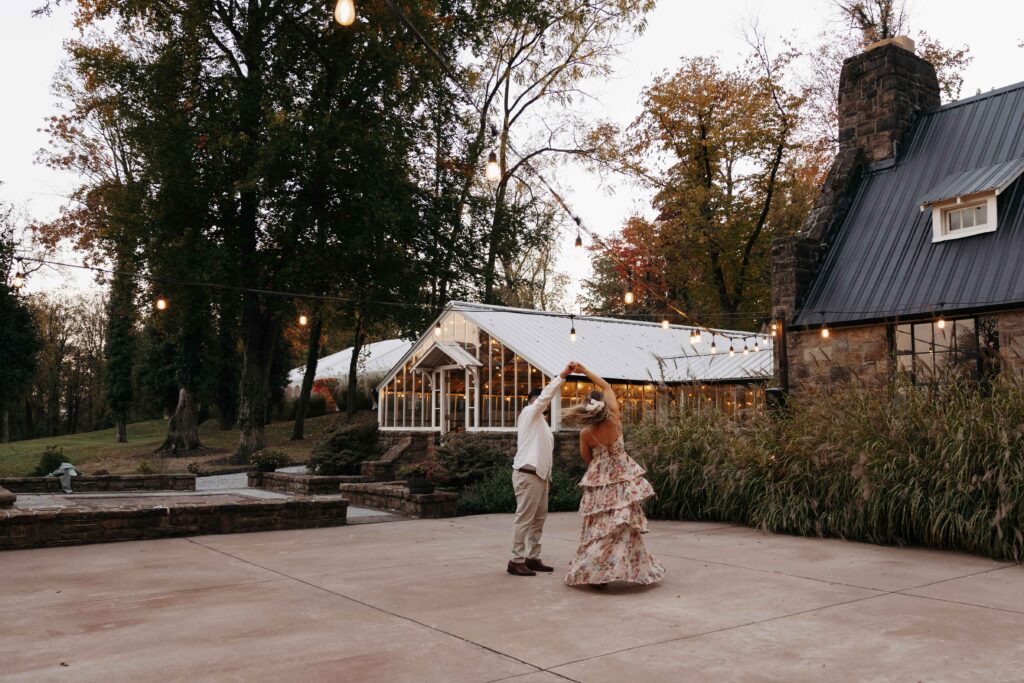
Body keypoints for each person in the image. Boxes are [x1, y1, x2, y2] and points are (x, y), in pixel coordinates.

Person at [562, 363, 665, 588]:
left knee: (599, 525)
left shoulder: (586, 434)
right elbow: (606, 385)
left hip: (600, 480)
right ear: (603, 407)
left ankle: (596, 570)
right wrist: (584, 370)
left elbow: (587, 459)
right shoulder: (615, 420)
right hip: (623, 478)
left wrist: (600, 471)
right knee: (623, 524)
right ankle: (621, 566)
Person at [508, 361, 576, 577]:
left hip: (541, 476)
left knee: (538, 520)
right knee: (524, 519)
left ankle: (533, 557)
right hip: (527, 475)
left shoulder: (542, 424)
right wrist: (562, 376)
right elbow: (545, 397)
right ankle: (515, 560)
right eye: (539, 399)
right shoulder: (529, 412)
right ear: (532, 401)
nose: (542, 403)